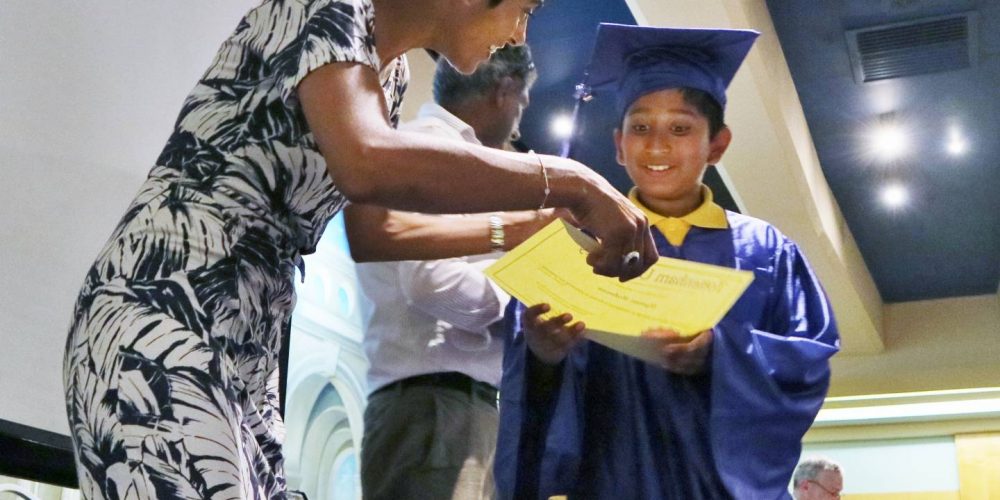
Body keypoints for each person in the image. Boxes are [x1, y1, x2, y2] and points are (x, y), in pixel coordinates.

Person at [62, 2, 659, 498]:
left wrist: (538, 220)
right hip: (168, 299)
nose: (520, 35)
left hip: (249, 341)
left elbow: (376, 227)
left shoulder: (388, 78)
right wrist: (571, 182)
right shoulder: (331, 5)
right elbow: (366, 162)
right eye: (524, 9)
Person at [494, 24, 841, 499]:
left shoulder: (767, 251)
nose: (657, 146)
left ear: (717, 145)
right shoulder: (581, 245)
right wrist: (544, 356)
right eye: (640, 128)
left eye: (680, 128)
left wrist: (720, 353)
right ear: (619, 145)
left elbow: (807, 363)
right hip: (616, 481)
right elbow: (532, 393)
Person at [353, 44, 547, 500]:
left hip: (447, 407)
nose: (518, 122)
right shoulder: (431, 148)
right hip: (436, 409)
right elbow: (431, 282)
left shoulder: (443, 152)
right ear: (504, 90)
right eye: (521, 104)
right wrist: (520, 296)